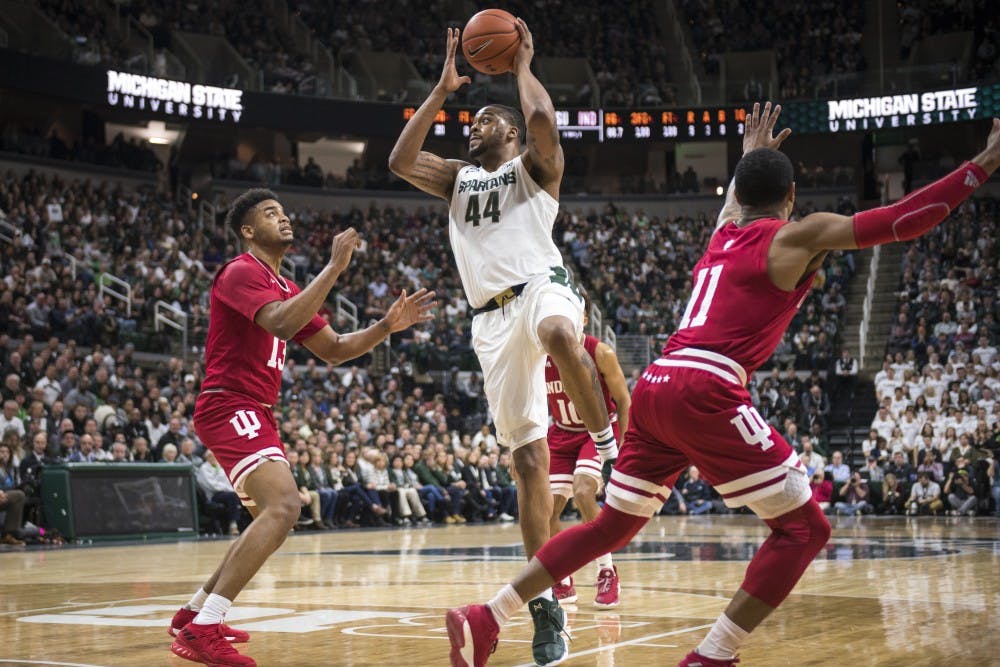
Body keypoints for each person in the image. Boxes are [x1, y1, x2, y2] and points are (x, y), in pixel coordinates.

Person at [446, 105, 1000, 667]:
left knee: (610, 526)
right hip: (705, 386)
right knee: (804, 530)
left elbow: (736, 201)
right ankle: (713, 656)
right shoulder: (795, 235)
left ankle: (488, 614)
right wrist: (984, 162)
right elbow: (906, 218)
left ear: (740, 190)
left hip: (659, 381)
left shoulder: (723, 234)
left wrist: (748, 160)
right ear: (790, 198)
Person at [390, 23, 617, 666]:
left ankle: (606, 448)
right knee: (528, 468)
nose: (474, 127)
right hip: (487, 322)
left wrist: (521, 66)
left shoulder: (535, 169)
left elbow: (543, 113)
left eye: (487, 120)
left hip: (539, 286)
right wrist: (440, 92)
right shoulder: (458, 179)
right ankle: (544, 605)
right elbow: (400, 162)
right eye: (473, 122)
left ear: (512, 135)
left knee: (556, 331)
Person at [168, 188, 435, 667]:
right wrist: (333, 268)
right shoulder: (241, 271)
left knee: (269, 514)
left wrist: (384, 328)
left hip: (254, 408)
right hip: (229, 403)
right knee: (286, 505)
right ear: (248, 230)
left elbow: (334, 349)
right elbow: (280, 325)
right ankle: (205, 628)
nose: (284, 219)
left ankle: (192, 615)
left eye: (285, 212)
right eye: (272, 214)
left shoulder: (287, 286)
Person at [545, 289, 630, 609]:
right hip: (561, 434)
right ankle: (563, 575)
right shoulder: (540, 356)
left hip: (598, 432)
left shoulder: (601, 351)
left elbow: (623, 400)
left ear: (581, 319)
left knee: (583, 493)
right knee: (548, 508)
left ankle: (606, 570)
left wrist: (623, 447)